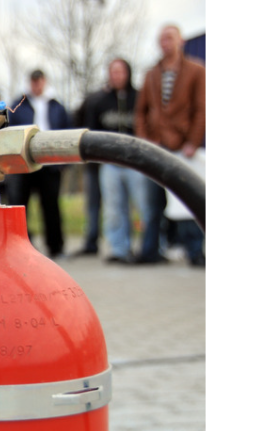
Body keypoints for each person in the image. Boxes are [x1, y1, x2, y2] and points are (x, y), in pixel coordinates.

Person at [134, 24, 206, 264]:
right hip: (156, 146)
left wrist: (193, 142)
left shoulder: (196, 70)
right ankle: (150, 251)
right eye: (161, 39)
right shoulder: (151, 74)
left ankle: (195, 251)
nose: (165, 43)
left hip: (183, 146)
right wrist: (144, 139)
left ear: (180, 41)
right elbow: (141, 111)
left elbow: (201, 109)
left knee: (186, 201)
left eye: (169, 38)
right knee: (152, 202)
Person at [84, 58, 149, 265]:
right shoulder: (99, 101)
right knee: (114, 208)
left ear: (128, 73)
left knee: (144, 206)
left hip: (136, 163)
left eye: (121, 71)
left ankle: (151, 247)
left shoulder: (139, 98)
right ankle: (119, 249)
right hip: (110, 163)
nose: (117, 75)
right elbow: (90, 130)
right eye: (113, 72)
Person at [5, 69, 72, 259]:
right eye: (33, 81)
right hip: (23, 163)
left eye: (39, 80)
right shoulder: (18, 105)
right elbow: (10, 130)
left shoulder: (57, 106)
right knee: (19, 206)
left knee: (51, 206)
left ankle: (56, 247)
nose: (36, 84)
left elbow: (66, 130)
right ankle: (19, 246)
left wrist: (63, 163)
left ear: (44, 81)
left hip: (49, 163)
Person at [71, 89, 102, 257]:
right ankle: (91, 241)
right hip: (92, 163)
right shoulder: (91, 102)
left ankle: (95, 242)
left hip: (99, 162)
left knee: (99, 206)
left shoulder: (97, 101)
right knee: (93, 205)